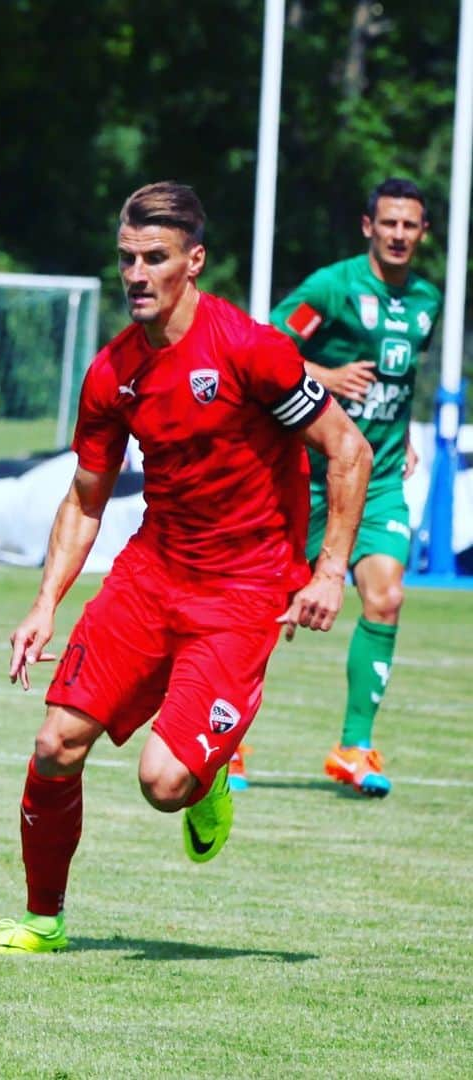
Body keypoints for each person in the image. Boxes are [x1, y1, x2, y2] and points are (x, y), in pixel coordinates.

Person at [0, 181, 372, 955]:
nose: (137, 274)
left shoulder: (251, 350)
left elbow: (347, 450)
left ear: (194, 261)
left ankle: (206, 775)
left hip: (245, 591)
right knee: (55, 744)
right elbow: (84, 499)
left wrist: (326, 572)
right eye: (127, 259)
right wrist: (45, 602)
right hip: (151, 575)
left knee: (163, 784)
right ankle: (42, 922)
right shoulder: (113, 372)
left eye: (155, 258)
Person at [232, 178, 442, 797]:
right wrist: (327, 373)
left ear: (423, 233)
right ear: (367, 227)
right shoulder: (332, 287)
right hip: (309, 478)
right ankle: (227, 745)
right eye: (389, 223)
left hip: (376, 480)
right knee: (266, 610)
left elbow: (394, 389)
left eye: (410, 225)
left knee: (387, 597)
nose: (399, 234)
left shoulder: (427, 301)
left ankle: (354, 747)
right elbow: (264, 347)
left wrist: (401, 436)